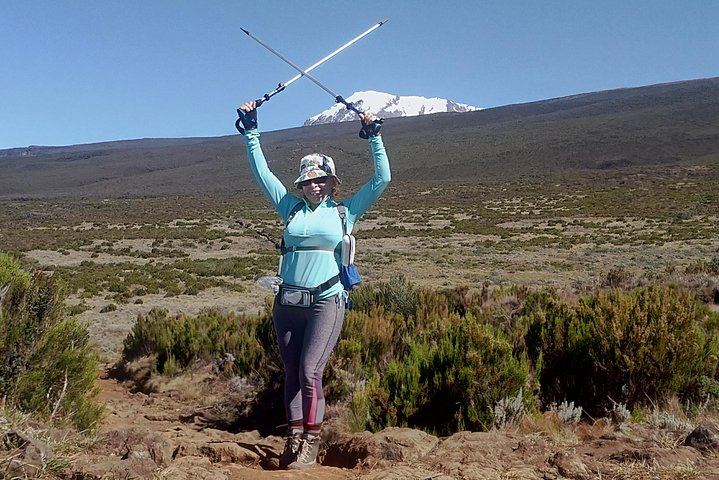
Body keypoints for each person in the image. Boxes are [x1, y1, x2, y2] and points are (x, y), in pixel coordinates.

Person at [236, 101, 391, 469]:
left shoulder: (344, 211)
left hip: (327, 299)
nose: (315, 185)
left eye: (322, 179)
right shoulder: (289, 207)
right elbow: (262, 174)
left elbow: (382, 179)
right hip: (288, 302)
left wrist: (375, 137)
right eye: (309, 180)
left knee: (310, 371)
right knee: (291, 372)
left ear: (333, 182)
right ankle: (293, 438)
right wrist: (252, 132)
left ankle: (311, 443)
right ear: (301, 184)